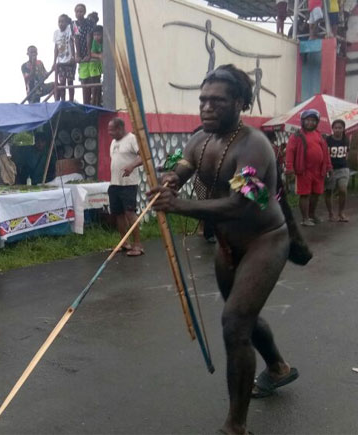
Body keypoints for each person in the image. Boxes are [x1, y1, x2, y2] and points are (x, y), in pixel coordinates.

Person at [148, 65, 298, 435]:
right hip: (228, 244)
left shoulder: (254, 146)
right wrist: (169, 181)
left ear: (240, 103)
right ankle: (278, 368)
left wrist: (179, 206)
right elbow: (182, 168)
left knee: (234, 324)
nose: (207, 108)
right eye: (203, 100)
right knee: (242, 318)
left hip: (265, 239)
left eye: (217, 101)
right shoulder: (201, 140)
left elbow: (241, 205)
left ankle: (235, 426)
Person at [285, 109, 332, 226]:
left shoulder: (319, 135)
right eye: (307, 120)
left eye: (313, 120)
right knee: (304, 194)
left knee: (317, 193)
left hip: (319, 171)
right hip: (304, 171)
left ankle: (312, 215)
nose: (310, 123)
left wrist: (329, 167)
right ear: (302, 121)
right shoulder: (296, 136)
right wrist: (289, 168)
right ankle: (305, 219)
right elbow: (290, 152)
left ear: (317, 122)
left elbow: (325, 152)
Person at [107, 117, 144, 257]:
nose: (109, 133)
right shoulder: (113, 142)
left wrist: (131, 166)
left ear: (120, 128)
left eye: (111, 130)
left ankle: (138, 245)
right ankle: (124, 242)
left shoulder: (132, 139)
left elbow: (143, 157)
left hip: (128, 185)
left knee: (130, 214)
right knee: (118, 214)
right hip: (114, 183)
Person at [324, 120, 351, 222]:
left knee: (343, 190)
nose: (338, 130)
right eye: (336, 127)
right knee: (328, 192)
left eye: (340, 128)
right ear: (332, 128)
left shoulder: (346, 139)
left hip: (343, 168)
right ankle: (330, 213)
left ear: (343, 129)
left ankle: (341, 212)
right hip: (330, 169)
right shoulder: (328, 140)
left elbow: (347, 153)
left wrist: (344, 161)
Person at [72, 3, 94, 105]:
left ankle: (91, 102)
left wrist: (88, 54)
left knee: (91, 80)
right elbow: (76, 38)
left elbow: (89, 37)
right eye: (77, 11)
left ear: (84, 12)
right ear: (75, 13)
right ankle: (85, 103)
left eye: (81, 11)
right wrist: (78, 55)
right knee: (84, 80)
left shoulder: (88, 22)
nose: (79, 13)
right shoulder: (74, 24)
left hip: (89, 51)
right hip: (81, 55)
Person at [53, 14, 76, 102]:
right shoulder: (56, 33)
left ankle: (71, 100)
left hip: (69, 61)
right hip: (61, 62)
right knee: (62, 82)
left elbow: (71, 43)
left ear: (67, 23)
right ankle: (63, 100)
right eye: (59, 21)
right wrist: (54, 62)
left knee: (70, 82)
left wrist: (73, 56)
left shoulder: (69, 30)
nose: (61, 23)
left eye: (63, 21)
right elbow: (55, 48)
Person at [87, 25, 104, 107]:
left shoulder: (105, 42)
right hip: (94, 65)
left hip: (102, 65)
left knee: (100, 85)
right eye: (95, 35)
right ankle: (93, 103)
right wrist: (99, 56)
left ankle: (99, 102)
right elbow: (91, 53)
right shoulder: (93, 42)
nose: (96, 37)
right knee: (95, 85)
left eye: (98, 35)